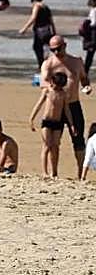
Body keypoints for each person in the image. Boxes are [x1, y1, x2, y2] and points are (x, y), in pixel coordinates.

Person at [40, 35, 93, 178]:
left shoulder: (76, 62)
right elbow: (43, 82)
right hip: (55, 107)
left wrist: (87, 87)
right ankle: (53, 173)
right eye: (53, 50)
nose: (56, 52)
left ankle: (81, 175)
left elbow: (84, 79)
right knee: (53, 143)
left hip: (73, 105)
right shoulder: (49, 64)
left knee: (78, 139)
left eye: (58, 49)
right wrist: (54, 89)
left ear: (65, 45)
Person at [29, 71, 76, 178]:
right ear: (52, 82)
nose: (57, 87)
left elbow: (67, 110)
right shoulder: (47, 91)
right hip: (47, 122)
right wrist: (31, 119)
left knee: (55, 146)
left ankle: (54, 171)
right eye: (56, 85)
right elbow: (39, 105)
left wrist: (71, 125)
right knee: (46, 145)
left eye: (60, 86)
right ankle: (44, 171)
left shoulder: (63, 94)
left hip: (58, 122)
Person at [18, 0, 56, 67]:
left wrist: (24, 28)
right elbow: (51, 21)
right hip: (47, 30)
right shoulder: (46, 7)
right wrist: (54, 32)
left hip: (39, 31)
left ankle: (42, 65)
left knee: (37, 47)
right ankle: (48, 63)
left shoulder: (37, 6)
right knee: (47, 48)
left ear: (34, 1)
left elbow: (33, 18)